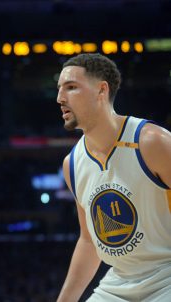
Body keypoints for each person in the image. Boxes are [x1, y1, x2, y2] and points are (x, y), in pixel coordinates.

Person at [56, 53, 171, 301]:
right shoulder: (73, 164)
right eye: (59, 89)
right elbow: (88, 242)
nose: (60, 98)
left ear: (101, 90)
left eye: (71, 87)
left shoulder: (152, 142)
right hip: (118, 283)